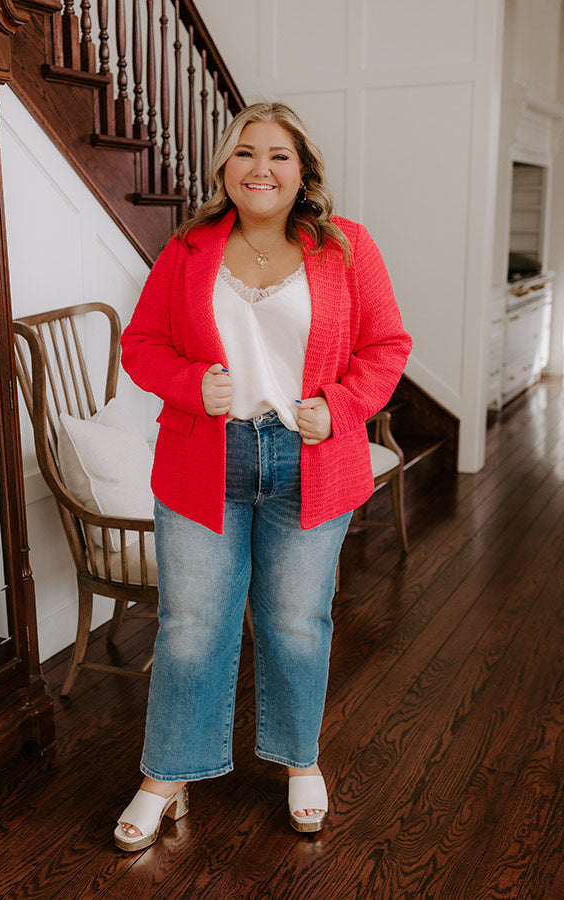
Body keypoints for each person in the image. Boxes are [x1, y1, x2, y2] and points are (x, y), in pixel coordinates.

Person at [114, 101, 412, 850]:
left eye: (279, 155)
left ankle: (299, 761)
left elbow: (388, 345)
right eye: (246, 153)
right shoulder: (187, 249)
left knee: (296, 625)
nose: (261, 168)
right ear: (224, 166)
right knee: (190, 627)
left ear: (302, 169)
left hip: (308, 459)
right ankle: (167, 775)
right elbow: (142, 345)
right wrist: (190, 386)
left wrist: (340, 408)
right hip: (204, 461)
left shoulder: (347, 247)